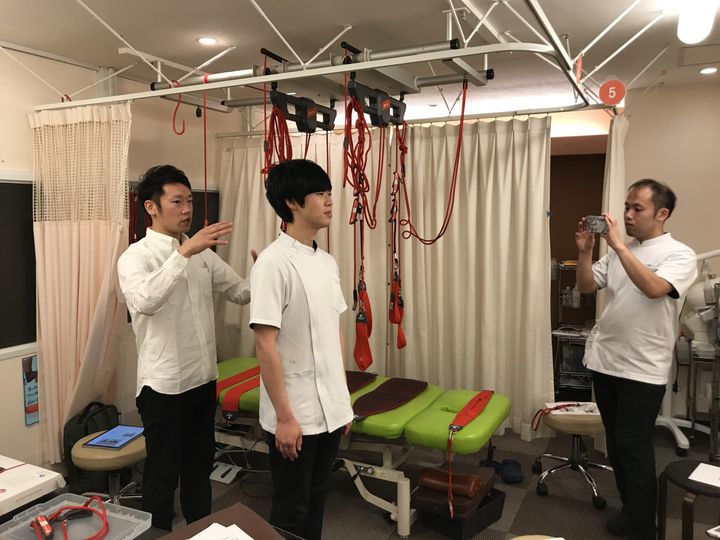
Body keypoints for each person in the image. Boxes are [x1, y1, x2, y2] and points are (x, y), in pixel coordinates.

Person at [117, 165, 252, 530]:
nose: (187, 209)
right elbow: (144, 301)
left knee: (199, 467)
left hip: (203, 380)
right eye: (177, 201)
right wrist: (184, 253)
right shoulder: (136, 257)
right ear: (151, 207)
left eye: (190, 201)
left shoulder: (201, 253)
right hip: (163, 386)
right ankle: (158, 533)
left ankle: (201, 531)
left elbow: (240, 291)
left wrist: (268, 272)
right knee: (162, 474)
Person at [575, 179, 697, 540]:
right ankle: (631, 512)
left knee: (634, 447)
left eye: (637, 208)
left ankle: (645, 529)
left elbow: (655, 288)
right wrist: (585, 252)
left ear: (662, 214)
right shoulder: (621, 251)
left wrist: (616, 245)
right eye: (626, 206)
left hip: (642, 368)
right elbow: (586, 286)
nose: (627, 214)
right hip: (606, 361)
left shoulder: (680, 254)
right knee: (616, 445)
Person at [250, 159, 353, 540]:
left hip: (329, 408)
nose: (329, 201)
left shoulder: (326, 262)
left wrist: (341, 399)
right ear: (292, 202)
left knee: (318, 496)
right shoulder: (273, 263)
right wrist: (284, 418)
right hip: (294, 412)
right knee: (291, 509)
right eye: (320, 194)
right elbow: (265, 344)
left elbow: (333, 333)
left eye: (329, 193)